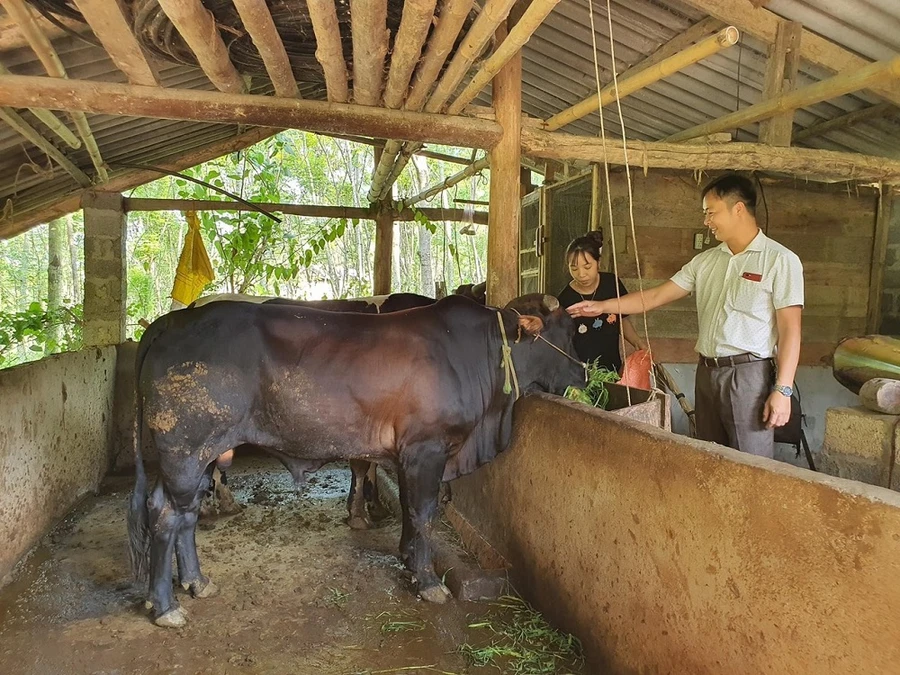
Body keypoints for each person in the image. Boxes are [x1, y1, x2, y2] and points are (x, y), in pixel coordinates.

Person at [567, 174, 803, 459]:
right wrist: (602, 306)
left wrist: (783, 390)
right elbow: (655, 296)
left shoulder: (779, 260)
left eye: (711, 212)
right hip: (707, 373)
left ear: (738, 209)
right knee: (708, 455)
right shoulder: (705, 262)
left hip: (748, 375)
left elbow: (791, 330)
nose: (706, 221)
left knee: (750, 464)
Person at [558, 230, 646, 373]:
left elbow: (622, 319)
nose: (581, 274)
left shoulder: (611, 283)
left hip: (611, 367)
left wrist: (638, 342)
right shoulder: (565, 299)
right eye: (574, 268)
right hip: (579, 372)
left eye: (587, 267)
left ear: (598, 262)